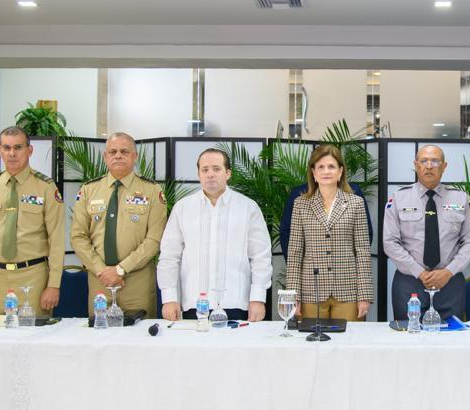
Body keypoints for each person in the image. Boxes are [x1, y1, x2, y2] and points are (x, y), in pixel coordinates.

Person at [158, 148, 273, 321]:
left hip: (236, 302)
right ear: (199, 174)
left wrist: (258, 297)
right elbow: (169, 256)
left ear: (228, 173)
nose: (210, 174)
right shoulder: (182, 208)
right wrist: (169, 298)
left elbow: (260, 257)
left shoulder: (248, 208)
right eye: (205, 170)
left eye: (216, 169)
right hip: (194, 303)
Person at [70, 132, 168, 317]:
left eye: (124, 151)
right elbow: (78, 237)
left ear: (134, 156)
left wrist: (121, 269)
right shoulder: (89, 190)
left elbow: (154, 240)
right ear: (105, 156)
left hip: (137, 282)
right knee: (99, 331)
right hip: (100, 281)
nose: (118, 156)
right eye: (112, 152)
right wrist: (102, 270)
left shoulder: (152, 190)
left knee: (138, 332)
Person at [0, 127, 65, 316]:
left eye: (18, 147)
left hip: (33, 277)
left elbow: (57, 239)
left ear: (29, 150)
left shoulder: (45, 187)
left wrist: (53, 285)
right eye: (6, 148)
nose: (12, 153)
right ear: (0, 150)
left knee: (33, 332)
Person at [382, 144, 470, 320]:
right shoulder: (398, 198)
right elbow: (390, 242)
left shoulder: (461, 199)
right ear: (416, 165)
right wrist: (419, 272)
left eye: (435, 161)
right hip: (409, 283)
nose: (428, 166)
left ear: (444, 166)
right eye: (423, 161)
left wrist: (448, 271)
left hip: (450, 282)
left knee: (452, 334)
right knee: (408, 334)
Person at [285, 144, 372, 320]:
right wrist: (293, 294)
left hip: (348, 291)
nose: (326, 171)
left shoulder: (356, 203)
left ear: (340, 171)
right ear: (313, 173)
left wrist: (364, 294)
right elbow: (295, 252)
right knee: (310, 337)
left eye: (331, 166)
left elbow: (362, 251)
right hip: (311, 290)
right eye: (321, 167)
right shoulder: (300, 204)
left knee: (348, 337)